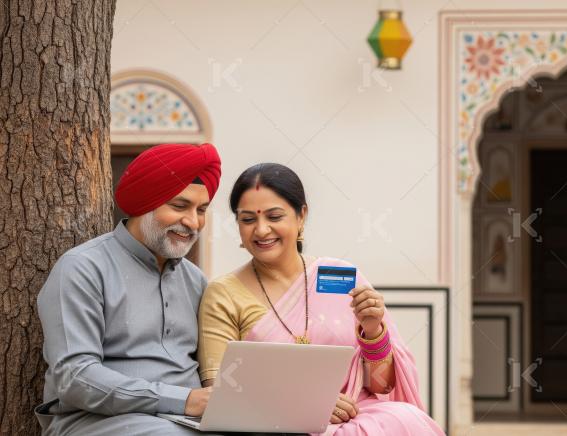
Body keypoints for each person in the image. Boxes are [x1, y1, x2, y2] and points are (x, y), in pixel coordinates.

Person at [197, 163, 445, 435]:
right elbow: (219, 394)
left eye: (274, 216)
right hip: (275, 424)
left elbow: (381, 387)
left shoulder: (339, 277)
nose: (261, 230)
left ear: (301, 215)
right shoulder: (224, 294)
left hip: (357, 413)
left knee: (405, 418)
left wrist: (372, 329)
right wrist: (307, 406)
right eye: (248, 220)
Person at [35, 143, 221, 435]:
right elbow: (75, 378)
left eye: (202, 210)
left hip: (190, 421)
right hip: (97, 421)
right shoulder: (83, 267)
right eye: (179, 206)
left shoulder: (195, 281)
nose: (193, 222)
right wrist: (182, 399)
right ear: (145, 202)